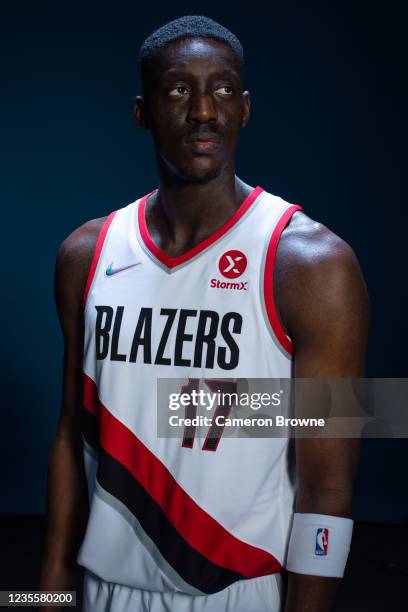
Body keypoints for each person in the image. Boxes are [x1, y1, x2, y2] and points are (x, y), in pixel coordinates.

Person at [40, 15, 370, 612]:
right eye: (178, 90)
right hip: (102, 590)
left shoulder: (312, 265)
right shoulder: (86, 255)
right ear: (143, 112)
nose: (201, 111)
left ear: (244, 109)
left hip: (238, 593)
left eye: (222, 90)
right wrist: (47, 592)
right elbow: (71, 431)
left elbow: (329, 483)